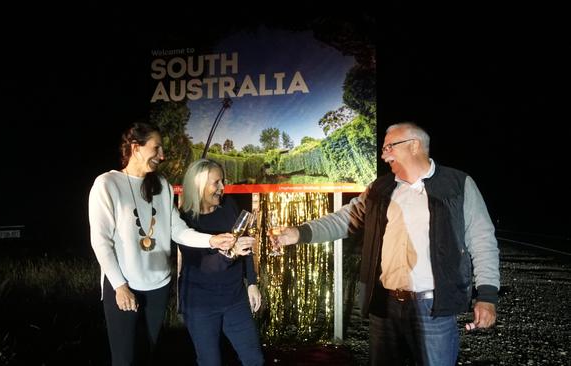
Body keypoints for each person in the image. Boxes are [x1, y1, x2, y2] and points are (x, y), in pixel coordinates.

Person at [271, 122, 500, 366]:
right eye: (383, 148)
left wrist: (487, 296)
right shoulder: (380, 189)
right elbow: (345, 219)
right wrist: (298, 233)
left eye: (390, 146)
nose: (383, 154)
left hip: (433, 308)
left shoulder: (458, 184)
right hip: (385, 305)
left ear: (414, 146)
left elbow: (482, 241)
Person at [88, 122, 237, 366]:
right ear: (136, 148)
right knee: (124, 359)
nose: (162, 156)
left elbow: (178, 230)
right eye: (156, 148)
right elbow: (100, 241)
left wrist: (211, 240)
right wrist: (120, 285)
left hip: (158, 286)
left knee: (147, 355)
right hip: (124, 286)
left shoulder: (163, 186)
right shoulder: (107, 184)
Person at [178, 158, 265, 366]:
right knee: (210, 362)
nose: (222, 187)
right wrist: (230, 252)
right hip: (201, 304)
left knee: (254, 360)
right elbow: (205, 266)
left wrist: (251, 283)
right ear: (198, 185)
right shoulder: (185, 221)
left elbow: (244, 247)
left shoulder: (229, 206)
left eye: (222, 181)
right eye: (216, 182)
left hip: (235, 299)